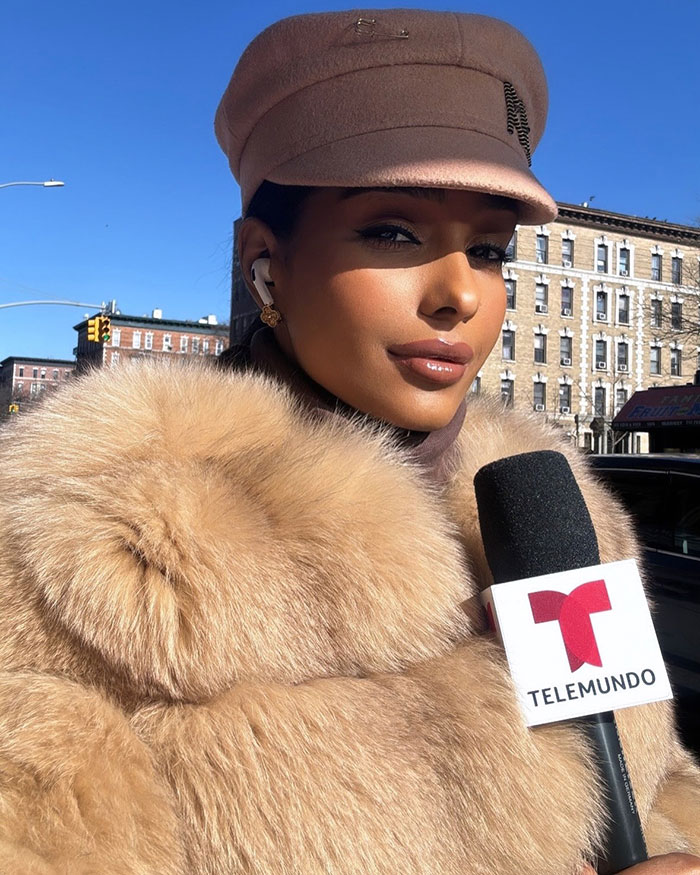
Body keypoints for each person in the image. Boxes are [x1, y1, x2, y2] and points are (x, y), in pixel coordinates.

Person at [0, 9, 698, 875]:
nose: (459, 294)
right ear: (265, 264)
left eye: (487, 249)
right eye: (393, 232)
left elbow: (659, 776)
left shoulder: (561, 510)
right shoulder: (83, 546)